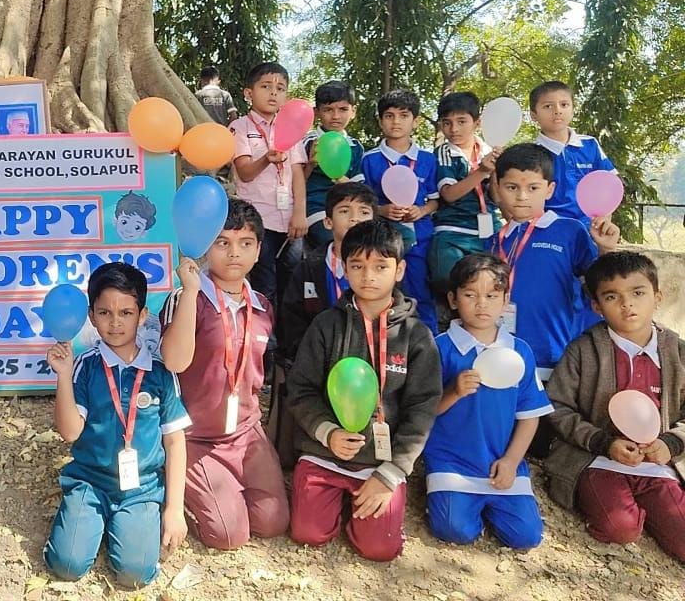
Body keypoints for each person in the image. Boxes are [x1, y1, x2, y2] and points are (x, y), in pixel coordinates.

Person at [285, 220, 442, 561]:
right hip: (325, 452)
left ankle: (364, 503)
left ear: (399, 270)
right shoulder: (326, 325)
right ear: (344, 269)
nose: (368, 276)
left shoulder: (416, 336)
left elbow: (422, 409)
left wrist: (390, 474)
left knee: (379, 548)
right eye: (357, 265)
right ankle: (330, 500)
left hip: (380, 461)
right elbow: (300, 389)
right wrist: (327, 433)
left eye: (380, 266)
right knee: (308, 533)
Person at [43, 262, 190, 588]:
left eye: (126, 312)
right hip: (90, 482)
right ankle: (90, 519)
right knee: (66, 566)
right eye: (105, 313)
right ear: (92, 317)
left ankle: (125, 525)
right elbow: (70, 432)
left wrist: (175, 510)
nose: (115, 322)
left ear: (142, 316)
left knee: (135, 575)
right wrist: (63, 376)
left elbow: (175, 441)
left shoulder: (160, 372)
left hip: (141, 489)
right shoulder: (85, 366)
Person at [157, 200, 289, 549]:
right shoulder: (189, 298)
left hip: (246, 433)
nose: (234, 254)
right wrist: (189, 294)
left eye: (246, 243)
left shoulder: (262, 305)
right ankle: (177, 477)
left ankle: (231, 482)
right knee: (228, 536)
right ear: (206, 247)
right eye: (222, 242)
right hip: (196, 437)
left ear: (259, 250)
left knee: (273, 522)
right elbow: (174, 361)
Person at [546, 251, 685, 562]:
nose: (627, 304)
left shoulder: (677, 352)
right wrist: (603, 442)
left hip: (658, 464)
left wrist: (671, 442)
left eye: (638, 293)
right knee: (619, 528)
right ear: (597, 306)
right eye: (612, 296)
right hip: (596, 461)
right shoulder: (583, 350)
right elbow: (557, 405)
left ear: (657, 296)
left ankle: (656, 510)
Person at [425, 254, 551, 549]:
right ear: (453, 299)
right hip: (452, 463)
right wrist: (453, 392)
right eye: (470, 294)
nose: (482, 304)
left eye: (492, 295)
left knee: (526, 537)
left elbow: (529, 414)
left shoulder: (520, 351)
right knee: (455, 530)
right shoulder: (439, 347)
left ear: (506, 300)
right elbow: (423, 411)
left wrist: (511, 460)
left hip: (502, 462)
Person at [490, 144, 620, 384]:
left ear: (550, 190)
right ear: (497, 188)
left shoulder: (569, 231)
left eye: (533, 188)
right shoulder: (494, 240)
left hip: (556, 359)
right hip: (502, 356)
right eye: (511, 187)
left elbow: (599, 285)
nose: (522, 196)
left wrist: (605, 249)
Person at [272, 183, 377, 466]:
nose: (354, 218)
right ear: (328, 221)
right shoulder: (308, 266)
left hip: (366, 372)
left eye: (363, 212)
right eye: (345, 211)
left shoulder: (382, 272)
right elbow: (291, 319)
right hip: (316, 366)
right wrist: (313, 356)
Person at [229, 62, 308, 309]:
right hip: (258, 221)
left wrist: (299, 213)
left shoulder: (292, 129)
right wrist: (265, 159)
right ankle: (267, 343)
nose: (273, 93)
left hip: (289, 221)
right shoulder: (239, 127)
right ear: (248, 93)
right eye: (265, 86)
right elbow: (244, 172)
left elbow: (297, 173)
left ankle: (290, 342)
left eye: (280, 88)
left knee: (293, 282)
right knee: (265, 284)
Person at [361, 88, 440, 332]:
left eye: (404, 115)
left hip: (420, 237)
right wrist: (382, 210)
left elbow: (436, 200)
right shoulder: (369, 159)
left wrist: (422, 210)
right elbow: (364, 202)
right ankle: (386, 340)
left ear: (415, 121)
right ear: (380, 120)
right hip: (385, 238)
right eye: (389, 116)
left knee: (420, 290)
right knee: (386, 292)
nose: (396, 122)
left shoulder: (428, 159)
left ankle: (429, 343)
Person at [430, 92, 501, 311]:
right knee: (447, 278)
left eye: (462, 121)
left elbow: (498, 198)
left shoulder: (490, 151)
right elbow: (449, 194)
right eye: (447, 123)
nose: (454, 129)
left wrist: (496, 170)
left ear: (477, 123)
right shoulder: (444, 153)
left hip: (488, 231)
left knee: (493, 283)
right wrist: (482, 171)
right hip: (452, 230)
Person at [529, 80, 616, 224]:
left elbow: (610, 183)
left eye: (564, 105)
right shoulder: (532, 153)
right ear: (534, 115)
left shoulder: (590, 145)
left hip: (589, 228)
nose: (557, 111)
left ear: (573, 109)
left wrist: (605, 217)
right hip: (549, 230)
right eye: (548, 106)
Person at [302, 81, 366, 250]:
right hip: (316, 208)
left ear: (353, 111)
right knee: (331, 240)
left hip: (349, 210)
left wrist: (343, 181)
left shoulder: (355, 146)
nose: (336, 116)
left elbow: (359, 188)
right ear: (317, 112)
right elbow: (294, 183)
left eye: (343, 109)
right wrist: (309, 165)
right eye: (328, 110)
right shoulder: (308, 142)